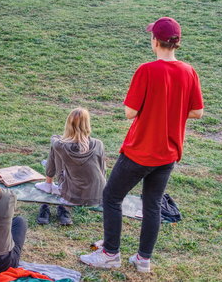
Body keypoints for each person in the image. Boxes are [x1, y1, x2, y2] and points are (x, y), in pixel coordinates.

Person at [80, 17, 204, 272]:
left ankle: (110, 253)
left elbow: (129, 111)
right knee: (152, 204)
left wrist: (156, 109)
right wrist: (172, 110)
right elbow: (197, 112)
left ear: (155, 41)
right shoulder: (189, 71)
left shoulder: (147, 70)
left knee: (112, 196)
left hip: (142, 150)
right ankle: (143, 259)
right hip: (169, 153)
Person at [35, 108, 106, 225]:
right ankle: (49, 185)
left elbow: (54, 138)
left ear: (68, 124)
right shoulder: (99, 144)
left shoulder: (60, 145)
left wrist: (65, 138)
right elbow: (102, 169)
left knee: (55, 148)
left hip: (72, 197)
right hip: (97, 195)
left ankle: (48, 184)